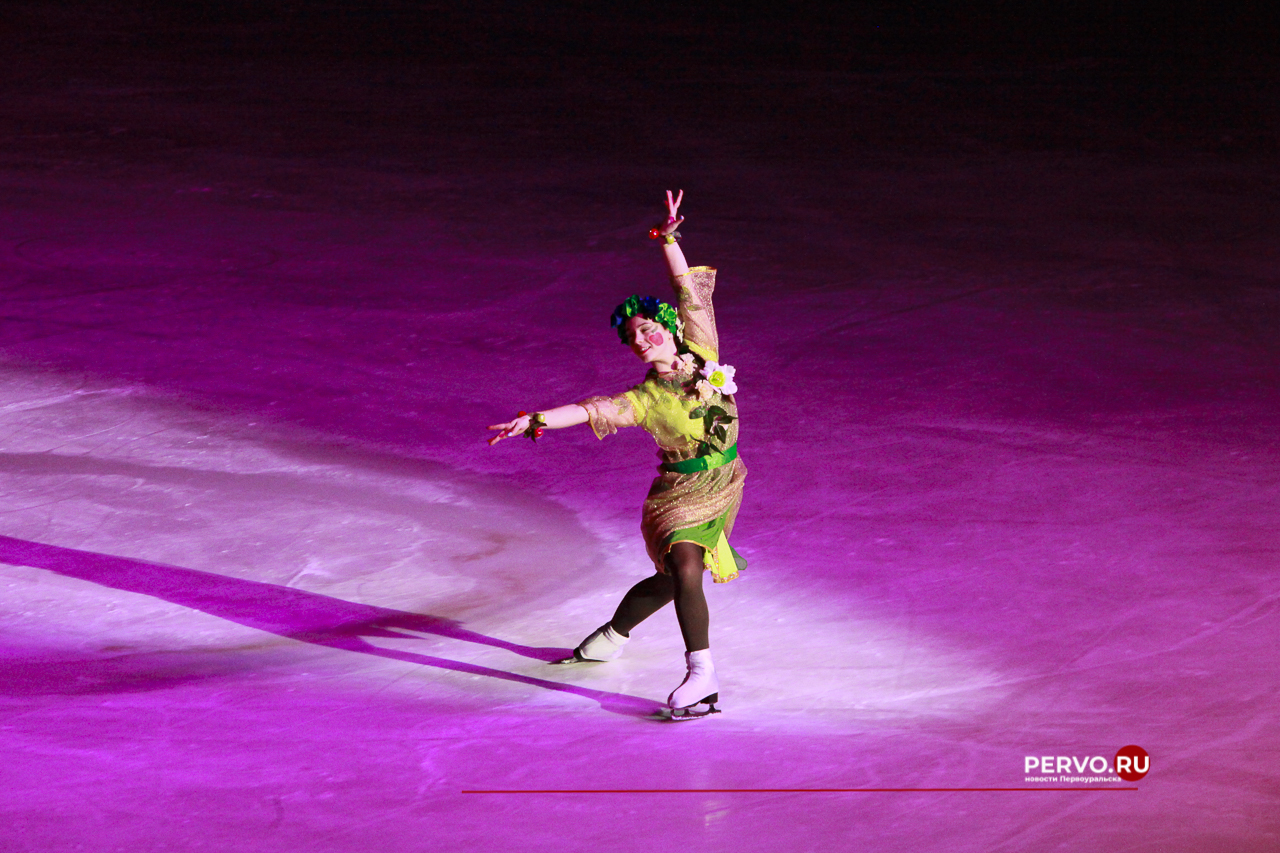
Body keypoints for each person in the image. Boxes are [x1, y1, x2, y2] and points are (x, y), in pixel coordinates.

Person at [487, 190, 747, 719]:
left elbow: (686, 289)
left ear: (671, 327)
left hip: (725, 485)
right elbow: (589, 409)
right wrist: (534, 419)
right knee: (685, 566)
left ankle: (611, 635)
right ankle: (703, 676)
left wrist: (668, 238)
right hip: (676, 496)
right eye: (632, 337)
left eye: (648, 328)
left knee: (672, 582)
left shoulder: (704, 353)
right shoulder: (643, 400)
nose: (640, 338)